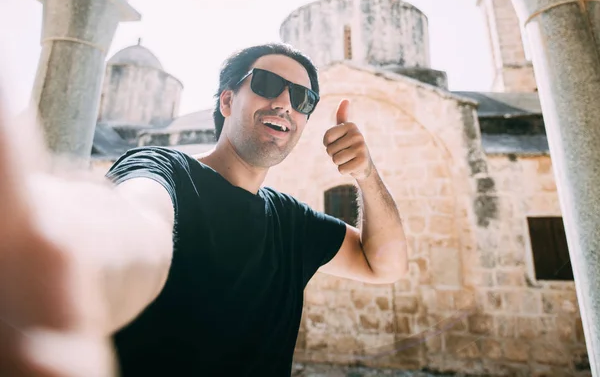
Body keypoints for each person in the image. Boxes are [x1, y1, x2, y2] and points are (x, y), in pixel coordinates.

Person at [0, 42, 408, 377]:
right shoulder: (165, 170)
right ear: (227, 100)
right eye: (267, 84)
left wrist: (366, 175)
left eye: (302, 98)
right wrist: (74, 270)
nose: (285, 102)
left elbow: (384, 265)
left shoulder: (293, 222)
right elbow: (143, 225)